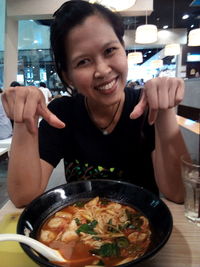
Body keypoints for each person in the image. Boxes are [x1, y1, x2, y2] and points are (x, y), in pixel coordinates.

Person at [2, 0, 188, 207]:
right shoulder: (62, 113)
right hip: (80, 227)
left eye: (110, 50)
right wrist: (22, 118)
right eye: (83, 61)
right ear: (68, 76)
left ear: (123, 49)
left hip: (142, 229)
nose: (102, 70)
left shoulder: (146, 108)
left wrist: (165, 111)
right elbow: (22, 197)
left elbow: (179, 193)